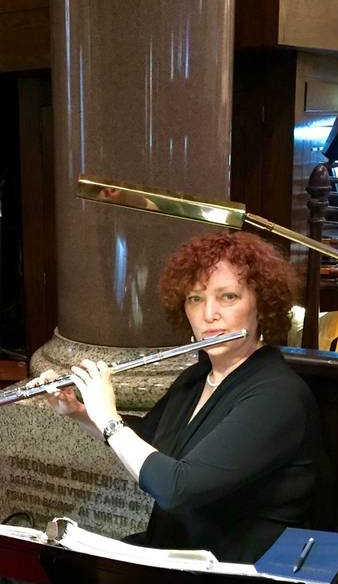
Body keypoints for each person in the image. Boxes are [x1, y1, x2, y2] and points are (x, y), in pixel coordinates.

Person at [29, 231, 322, 563]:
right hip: (178, 549)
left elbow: (176, 488)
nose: (208, 314)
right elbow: (153, 444)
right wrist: (83, 413)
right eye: (195, 299)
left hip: (236, 563)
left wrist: (109, 418)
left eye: (228, 297)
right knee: (56, 559)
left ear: (262, 305)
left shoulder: (277, 396)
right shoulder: (197, 377)